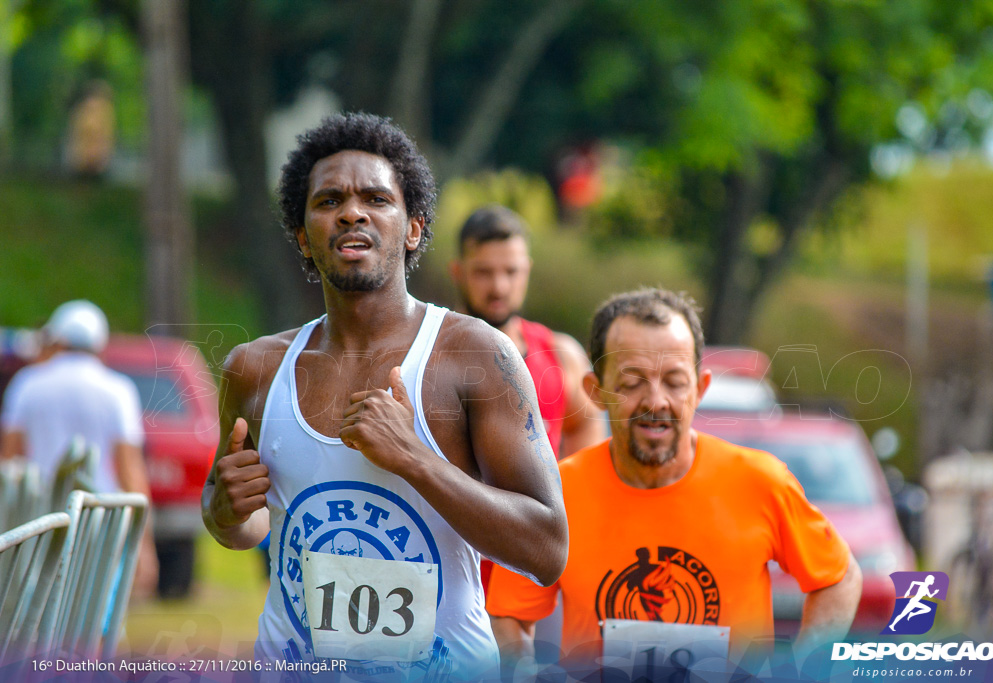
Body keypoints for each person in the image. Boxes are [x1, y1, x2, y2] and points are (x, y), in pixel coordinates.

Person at [202, 113, 568, 681]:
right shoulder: (253, 369)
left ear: (414, 228)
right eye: (328, 201)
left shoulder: (475, 355)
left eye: (376, 197)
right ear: (302, 234)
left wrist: (416, 459)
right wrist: (223, 511)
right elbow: (243, 524)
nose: (352, 211)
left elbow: (547, 549)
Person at [486, 288, 862, 676]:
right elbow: (507, 615)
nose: (656, 401)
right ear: (595, 392)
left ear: (700, 388)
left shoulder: (760, 481)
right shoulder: (556, 494)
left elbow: (840, 578)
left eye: (675, 381)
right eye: (632, 382)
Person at [0, 299, 158, 595]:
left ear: (58, 338)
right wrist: (144, 546)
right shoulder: (117, 390)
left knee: (36, 620)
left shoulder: (27, 384)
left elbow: (8, 461)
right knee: (93, 623)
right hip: (99, 521)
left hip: (39, 521)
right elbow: (130, 469)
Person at [448, 205, 605, 459]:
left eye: (511, 272)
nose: (499, 287)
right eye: (483, 272)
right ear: (457, 272)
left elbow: (585, 429)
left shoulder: (562, 355)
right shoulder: (428, 351)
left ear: (527, 270)